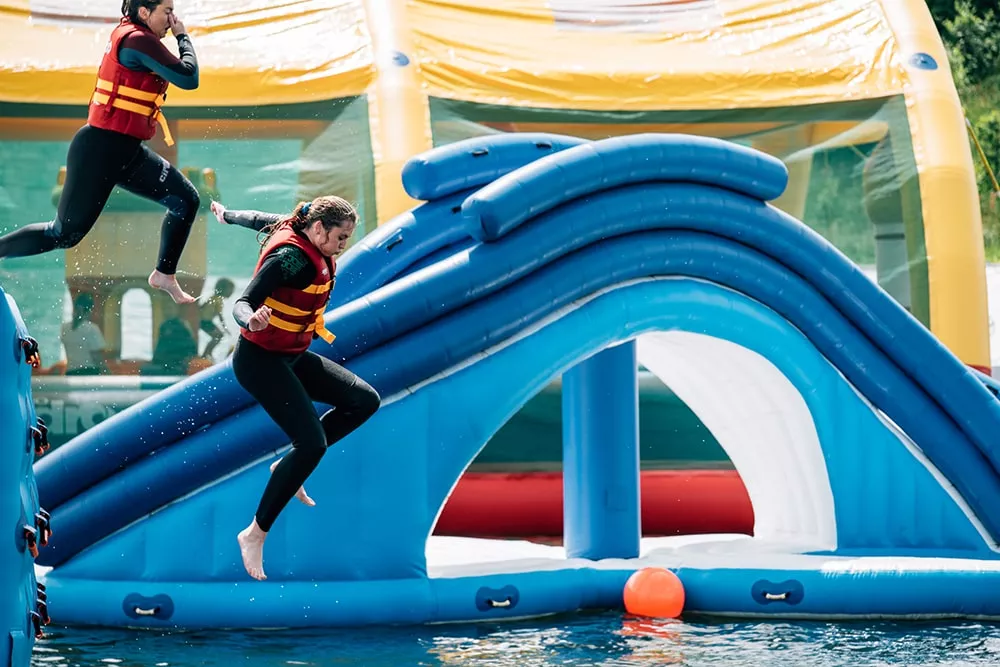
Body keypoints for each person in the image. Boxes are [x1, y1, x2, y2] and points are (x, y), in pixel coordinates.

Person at [0, 0, 201, 305]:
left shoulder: (142, 39)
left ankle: (164, 274)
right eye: (167, 11)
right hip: (98, 150)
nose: (173, 18)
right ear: (145, 12)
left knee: (187, 200)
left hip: (128, 153)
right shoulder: (137, 40)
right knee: (63, 235)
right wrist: (182, 36)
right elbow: (189, 77)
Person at [230, 196, 381, 581]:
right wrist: (252, 321)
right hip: (260, 361)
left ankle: (288, 466)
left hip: (292, 355)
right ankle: (254, 533)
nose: (344, 244)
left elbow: (258, 217)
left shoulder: (301, 224)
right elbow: (243, 302)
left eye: (348, 236)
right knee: (311, 443)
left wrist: (226, 214)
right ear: (318, 229)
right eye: (341, 237)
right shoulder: (291, 260)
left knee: (364, 401)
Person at [61, 293, 109, 376]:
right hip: (89, 372)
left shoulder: (64, 328)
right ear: (90, 310)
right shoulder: (91, 329)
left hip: (71, 372)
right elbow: (96, 357)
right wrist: (106, 372)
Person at [197, 277, 234, 359]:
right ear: (223, 289)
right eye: (230, 290)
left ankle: (206, 354)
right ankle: (206, 354)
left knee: (217, 336)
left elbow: (202, 307)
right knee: (218, 336)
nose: (231, 293)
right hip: (205, 322)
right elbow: (220, 316)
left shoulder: (213, 297)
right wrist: (225, 328)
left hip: (203, 321)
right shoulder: (218, 300)